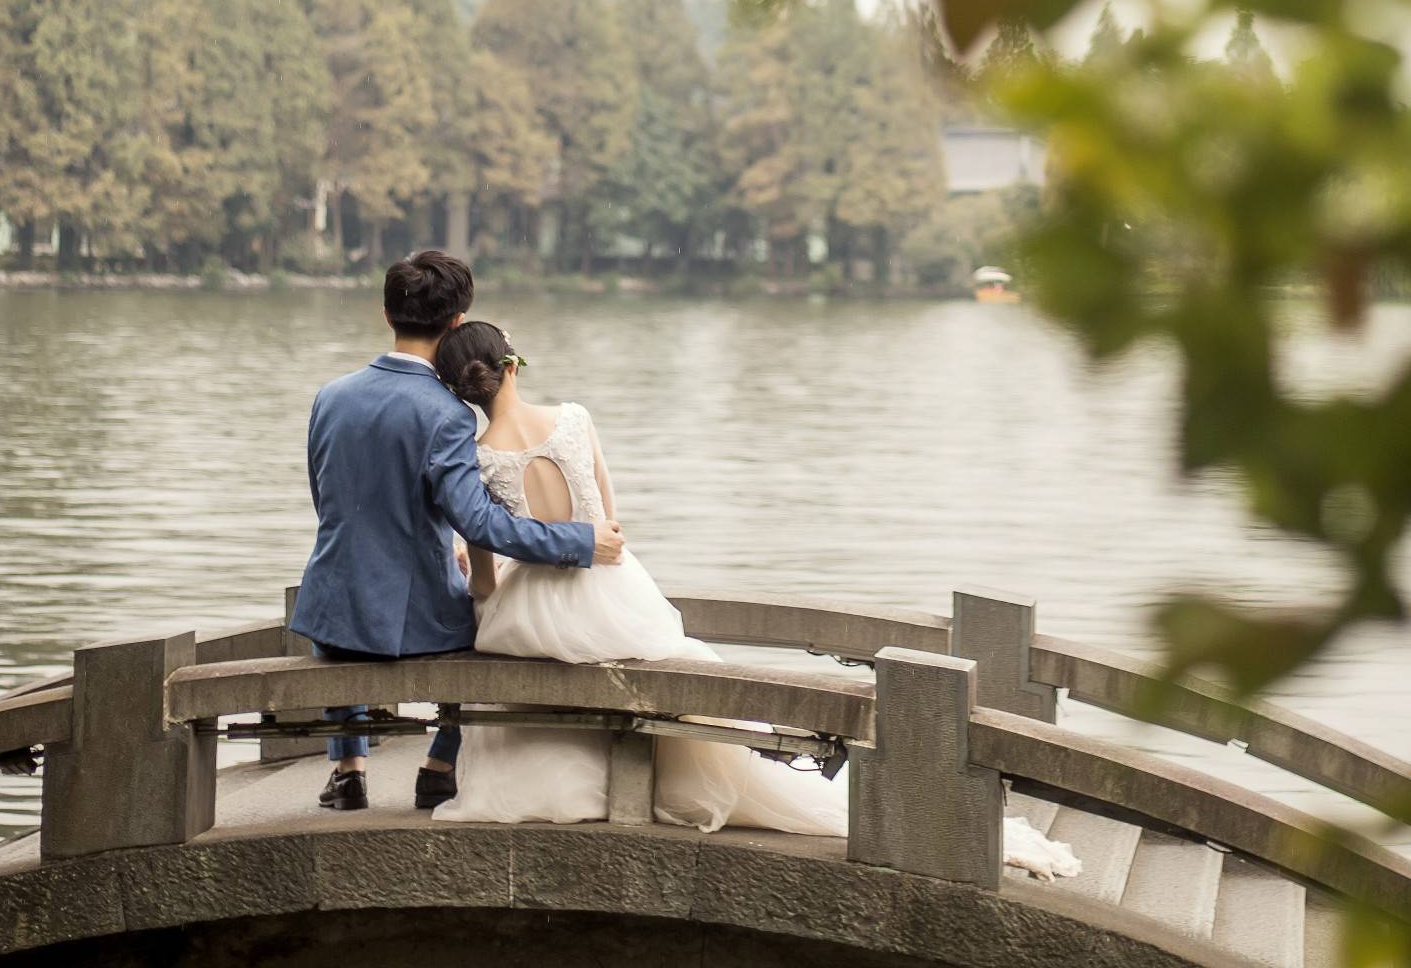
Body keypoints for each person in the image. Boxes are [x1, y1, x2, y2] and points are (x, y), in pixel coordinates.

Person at [429, 319, 1082, 880]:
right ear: (513, 364)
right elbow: (613, 523)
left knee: (512, 658)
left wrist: (488, 576)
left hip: (534, 603)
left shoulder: (481, 458)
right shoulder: (574, 420)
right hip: (609, 583)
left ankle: (568, 784)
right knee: (656, 661)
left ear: (464, 390)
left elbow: (485, 581)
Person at [290, 251, 626, 813]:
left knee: (353, 589)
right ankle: (438, 765)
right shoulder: (448, 413)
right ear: (455, 324)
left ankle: (349, 770)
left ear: (385, 315)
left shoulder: (330, 396)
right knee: (483, 616)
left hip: (331, 614)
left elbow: (327, 501)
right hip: (416, 627)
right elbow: (479, 523)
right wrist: (580, 542)